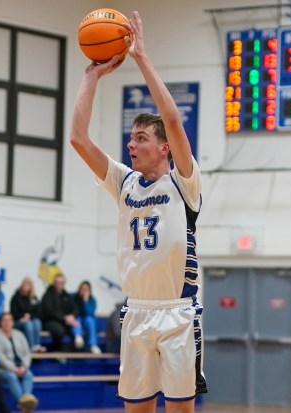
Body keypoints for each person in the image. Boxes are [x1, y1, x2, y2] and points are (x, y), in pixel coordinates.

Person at [70, 11, 206, 413]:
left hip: (178, 313)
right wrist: (91, 77)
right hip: (136, 312)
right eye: (130, 138)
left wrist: (141, 58)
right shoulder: (124, 182)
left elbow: (174, 120)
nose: (132, 145)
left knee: (180, 410)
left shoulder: (183, 182)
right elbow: (78, 138)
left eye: (142, 138)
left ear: (164, 147)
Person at [0, 313, 38, 413]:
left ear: (13, 322)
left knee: (28, 374)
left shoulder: (19, 334)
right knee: (11, 376)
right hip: (1, 369)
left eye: (9, 320)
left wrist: (24, 366)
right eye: (4, 320)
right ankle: (24, 403)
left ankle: (24, 402)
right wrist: (12, 368)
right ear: (0, 323)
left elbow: (27, 352)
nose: (7, 323)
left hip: (20, 366)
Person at [40, 274, 84, 351]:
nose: (59, 285)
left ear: (64, 283)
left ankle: (70, 352)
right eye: (57, 282)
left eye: (61, 283)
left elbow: (75, 308)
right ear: (54, 283)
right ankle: (57, 351)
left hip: (65, 322)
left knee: (82, 329)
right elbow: (49, 312)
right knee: (59, 331)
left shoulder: (66, 295)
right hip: (50, 321)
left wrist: (72, 316)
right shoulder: (47, 295)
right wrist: (64, 318)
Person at [10, 276, 45, 352]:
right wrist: (22, 317)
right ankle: (31, 346)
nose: (26, 286)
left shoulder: (34, 298)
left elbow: (39, 313)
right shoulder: (15, 298)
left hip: (31, 320)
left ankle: (37, 345)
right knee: (28, 324)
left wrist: (29, 316)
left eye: (28, 284)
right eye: (24, 284)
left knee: (37, 322)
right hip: (19, 321)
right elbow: (13, 313)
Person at [74, 281, 101, 354]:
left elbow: (89, 313)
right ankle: (78, 337)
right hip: (78, 320)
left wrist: (85, 301)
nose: (84, 291)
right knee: (76, 318)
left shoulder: (92, 300)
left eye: (86, 290)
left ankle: (93, 344)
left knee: (90, 320)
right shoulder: (74, 297)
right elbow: (74, 312)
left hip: (87, 321)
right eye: (83, 289)